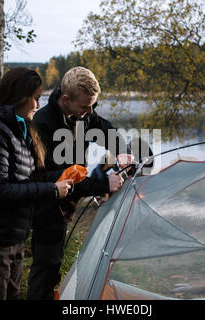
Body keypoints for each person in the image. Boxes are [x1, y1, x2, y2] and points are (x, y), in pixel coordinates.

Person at [0, 68, 73, 300]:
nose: (38, 105)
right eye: (36, 98)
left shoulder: (19, 129)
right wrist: (52, 191)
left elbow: (26, 180)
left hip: (12, 239)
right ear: (20, 96)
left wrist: (66, 176)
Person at [27, 66, 133, 300]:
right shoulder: (42, 124)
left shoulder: (82, 113)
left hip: (68, 202)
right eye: (86, 106)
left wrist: (123, 153)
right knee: (45, 267)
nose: (90, 111)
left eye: (93, 105)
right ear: (66, 99)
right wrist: (102, 183)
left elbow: (106, 130)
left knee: (53, 268)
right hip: (47, 204)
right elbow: (50, 178)